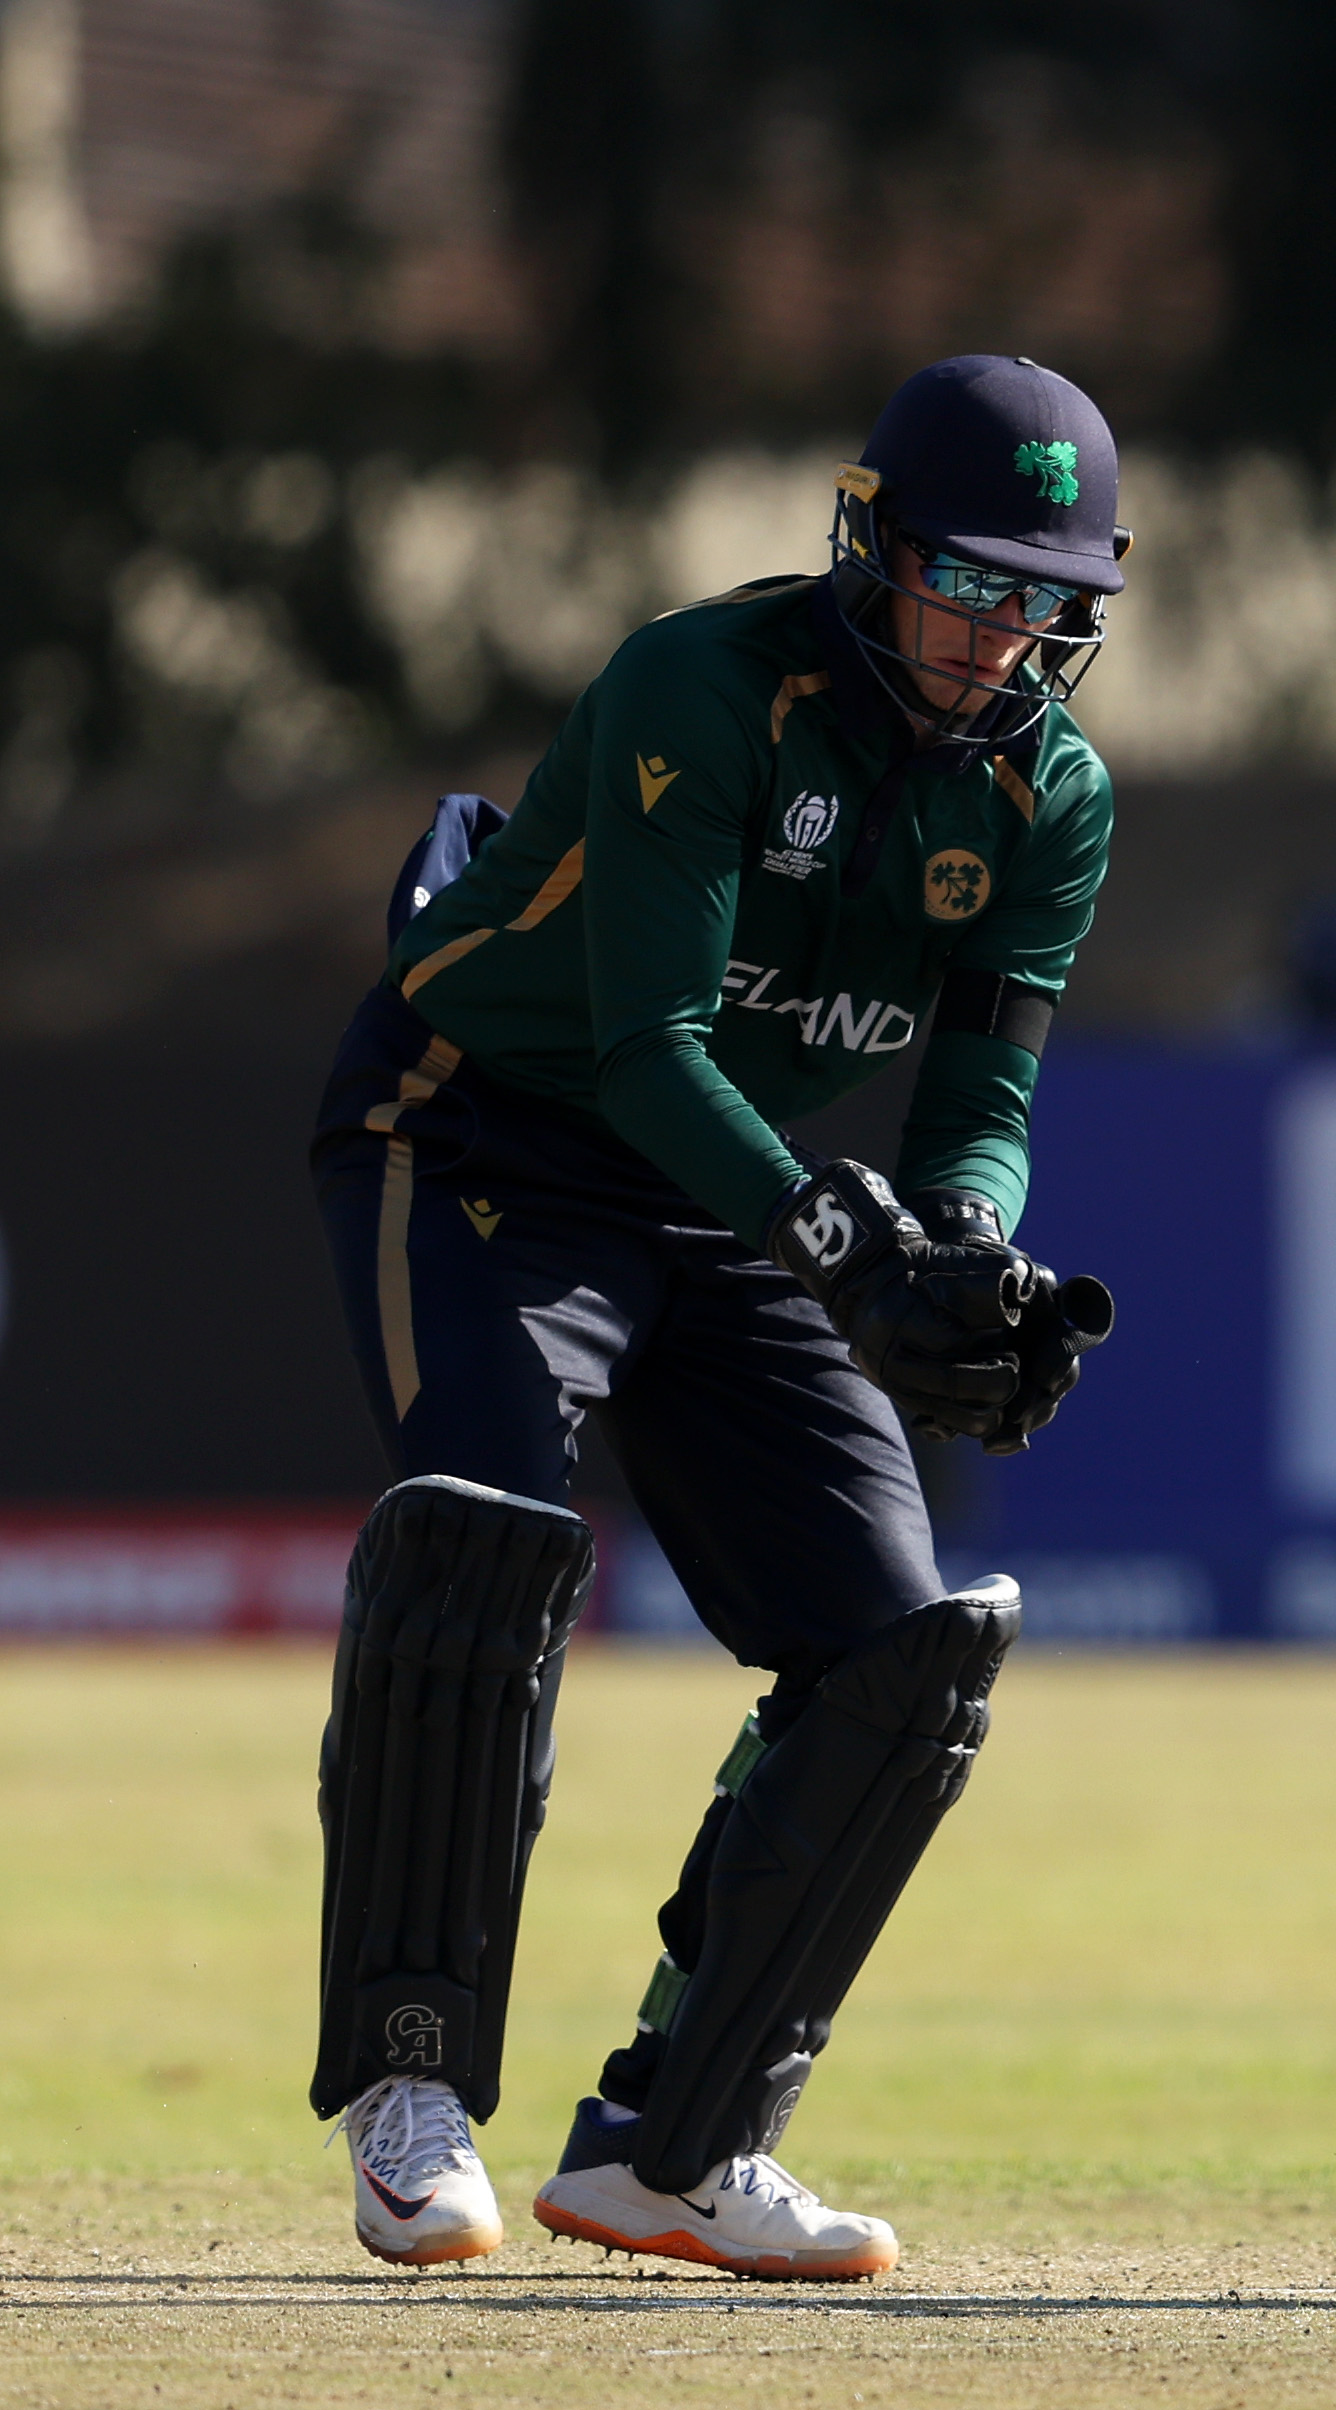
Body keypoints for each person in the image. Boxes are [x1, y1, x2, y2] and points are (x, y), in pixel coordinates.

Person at [304, 355, 1126, 2280]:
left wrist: (970, 1254)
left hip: (736, 1183)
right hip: (481, 1120)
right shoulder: (702, 688)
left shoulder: (1052, 798)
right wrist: (839, 1238)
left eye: (1040, 600)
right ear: (871, 545)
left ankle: (672, 2147)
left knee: (908, 1648)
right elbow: (644, 1045)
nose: (997, 636)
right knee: (485, 1541)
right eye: (967, 580)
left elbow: (978, 1113)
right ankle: (411, 2091)